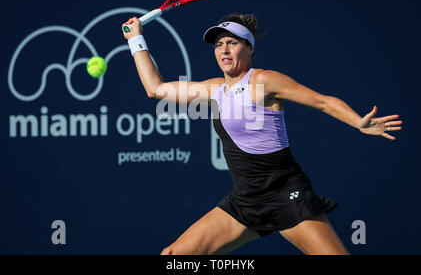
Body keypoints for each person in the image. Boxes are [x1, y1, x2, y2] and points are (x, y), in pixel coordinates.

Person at [121, 13, 402, 255]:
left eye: (232, 42)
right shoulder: (214, 90)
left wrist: (358, 122)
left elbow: (322, 101)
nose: (224, 50)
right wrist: (136, 39)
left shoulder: (264, 80)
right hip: (245, 201)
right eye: (219, 45)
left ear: (249, 48)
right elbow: (155, 89)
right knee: (174, 255)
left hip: (286, 194)